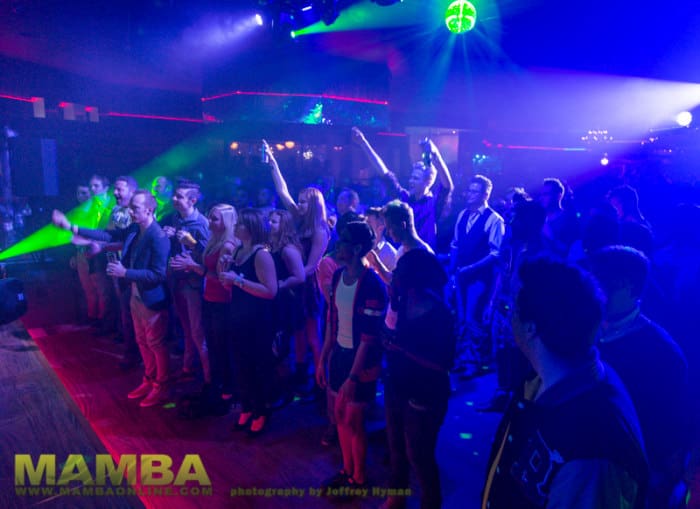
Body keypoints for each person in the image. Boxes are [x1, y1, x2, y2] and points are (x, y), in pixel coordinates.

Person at [482, 257, 648, 509]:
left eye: (513, 307)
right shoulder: (540, 378)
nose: (508, 317)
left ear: (531, 328)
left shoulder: (592, 452)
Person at [590, 246, 689, 509]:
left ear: (633, 289)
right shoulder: (585, 330)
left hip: (631, 471)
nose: (598, 291)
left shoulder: (661, 352)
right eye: (595, 281)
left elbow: (668, 428)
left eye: (609, 284)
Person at [52, 190, 171, 407]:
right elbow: (108, 236)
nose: (130, 211)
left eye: (135, 208)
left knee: (156, 343)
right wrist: (71, 227)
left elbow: (159, 275)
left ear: (149, 210)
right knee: (142, 341)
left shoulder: (158, 237)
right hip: (135, 295)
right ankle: (149, 379)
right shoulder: (135, 229)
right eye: (131, 207)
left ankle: (161, 386)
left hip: (151, 299)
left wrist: (126, 273)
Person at [316, 221, 388, 492]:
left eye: (343, 240)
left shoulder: (372, 285)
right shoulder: (337, 276)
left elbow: (369, 339)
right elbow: (332, 321)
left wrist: (353, 377)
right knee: (339, 416)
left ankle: (359, 478)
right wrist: (324, 358)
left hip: (361, 363)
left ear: (357, 248)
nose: (338, 244)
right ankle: (346, 471)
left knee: (353, 421)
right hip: (340, 355)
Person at [381, 249, 455, 509]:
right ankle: (397, 496)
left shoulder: (440, 314)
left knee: (420, 455)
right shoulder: (402, 302)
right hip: (397, 384)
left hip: (426, 393)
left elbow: (444, 364)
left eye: (398, 271)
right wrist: (392, 303)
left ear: (412, 278)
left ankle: (431, 503)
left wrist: (403, 351)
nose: (393, 274)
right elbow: (388, 332)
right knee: (396, 447)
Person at [266, 140, 330, 394]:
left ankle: (320, 380)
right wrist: (273, 163)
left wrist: (289, 280)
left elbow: (312, 266)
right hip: (296, 283)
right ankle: (301, 372)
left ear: (314, 205)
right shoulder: (300, 220)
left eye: (304, 202)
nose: (299, 204)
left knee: (313, 334)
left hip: (308, 286)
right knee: (299, 332)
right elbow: (283, 192)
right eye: (300, 201)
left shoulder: (319, 230)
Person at [171, 204, 239, 411]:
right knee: (213, 347)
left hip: (223, 303)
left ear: (227, 222)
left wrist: (194, 267)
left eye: (215, 219)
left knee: (222, 349)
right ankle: (216, 388)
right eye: (210, 217)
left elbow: (222, 278)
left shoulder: (228, 244)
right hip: (209, 298)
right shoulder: (214, 239)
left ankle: (227, 394)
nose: (209, 221)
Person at [220, 208, 277, 435]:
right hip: (238, 316)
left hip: (257, 321)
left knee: (257, 366)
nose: (235, 227)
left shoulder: (261, 254)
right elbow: (228, 285)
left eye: (240, 224)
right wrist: (226, 271)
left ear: (251, 228)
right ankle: (247, 407)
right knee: (241, 365)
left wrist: (238, 281)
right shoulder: (238, 251)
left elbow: (271, 290)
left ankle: (261, 411)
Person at [352, 127, 454, 249]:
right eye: (411, 177)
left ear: (427, 182)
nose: (411, 181)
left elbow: (447, 186)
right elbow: (384, 173)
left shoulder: (433, 203)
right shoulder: (404, 199)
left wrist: (436, 155)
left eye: (415, 178)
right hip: (401, 254)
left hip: (423, 256)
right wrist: (363, 143)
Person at [161, 181, 211, 383]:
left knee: (198, 331)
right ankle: (189, 365)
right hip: (178, 281)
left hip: (194, 284)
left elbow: (210, 256)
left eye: (179, 196)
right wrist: (168, 237)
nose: (174, 199)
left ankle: (209, 378)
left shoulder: (202, 223)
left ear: (193, 200)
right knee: (186, 327)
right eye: (174, 195)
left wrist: (192, 242)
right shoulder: (175, 219)